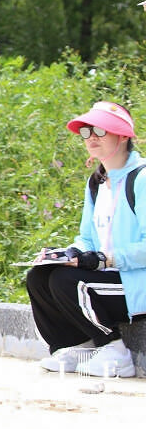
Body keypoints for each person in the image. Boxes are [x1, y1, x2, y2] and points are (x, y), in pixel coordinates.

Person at [27, 101, 145, 378]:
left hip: (136, 281)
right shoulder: (97, 182)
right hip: (112, 277)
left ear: (123, 136)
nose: (92, 137)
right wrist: (66, 255)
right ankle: (76, 345)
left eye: (102, 131)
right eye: (87, 131)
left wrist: (105, 260)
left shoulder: (140, 178)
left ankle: (115, 351)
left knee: (67, 281)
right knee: (40, 277)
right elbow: (87, 239)